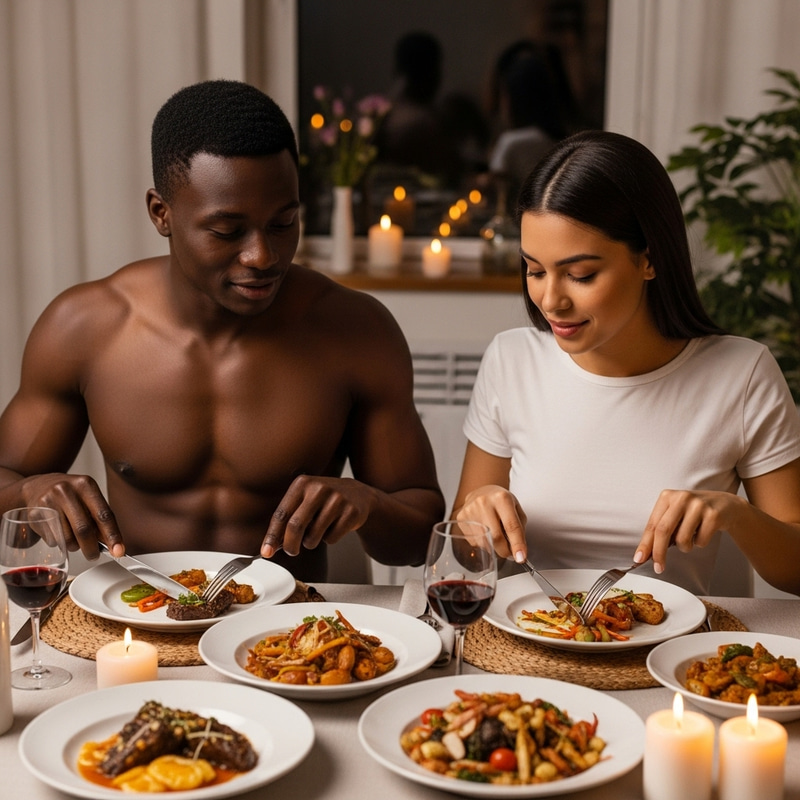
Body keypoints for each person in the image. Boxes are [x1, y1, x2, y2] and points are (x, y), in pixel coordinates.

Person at [0, 80, 445, 582]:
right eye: (227, 231)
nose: (263, 257)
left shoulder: (357, 331)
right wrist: (25, 494)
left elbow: (418, 540)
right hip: (138, 628)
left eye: (283, 224)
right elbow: (7, 482)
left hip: (290, 639)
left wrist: (367, 504)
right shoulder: (84, 328)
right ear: (161, 213)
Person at [452, 130, 800, 596]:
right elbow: (461, 553)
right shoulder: (511, 359)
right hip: (528, 643)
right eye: (534, 270)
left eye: (580, 275)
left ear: (649, 260)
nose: (550, 300)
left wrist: (734, 515)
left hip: (669, 660)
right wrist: (475, 514)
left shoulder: (743, 374)